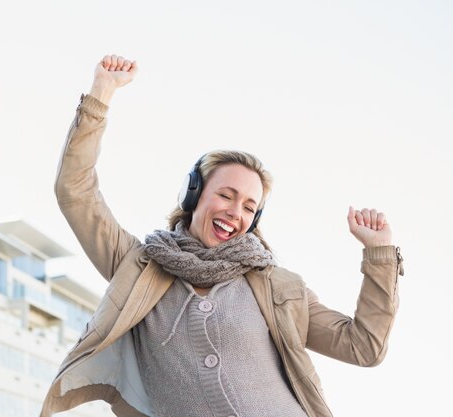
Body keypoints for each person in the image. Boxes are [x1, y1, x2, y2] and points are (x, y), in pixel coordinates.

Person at [41, 55, 403, 417]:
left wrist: (380, 255)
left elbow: (364, 347)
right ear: (194, 195)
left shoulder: (278, 287)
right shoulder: (136, 267)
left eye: (249, 206)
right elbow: (75, 192)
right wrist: (101, 94)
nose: (235, 212)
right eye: (226, 195)